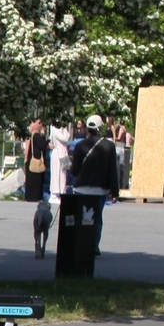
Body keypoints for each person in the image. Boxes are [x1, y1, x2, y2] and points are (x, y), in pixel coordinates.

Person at [57, 114, 123, 278]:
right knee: (96, 218)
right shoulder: (108, 146)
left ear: (87, 128)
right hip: (99, 189)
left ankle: (80, 243)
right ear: (100, 128)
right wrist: (115, 190)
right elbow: (112, 170)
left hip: (81, 187)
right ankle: (93, 246)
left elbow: (74, 170)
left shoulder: (80, 146)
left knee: (80, 218)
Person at [22, 117, 54, 257]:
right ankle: (33, 196)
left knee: (34, 182)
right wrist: (46, 140)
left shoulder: (33, 135)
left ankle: (32, 195)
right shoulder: (36, 135)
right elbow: (41, 146)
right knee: (35, 182)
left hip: (33, 163)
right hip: (36, 163)